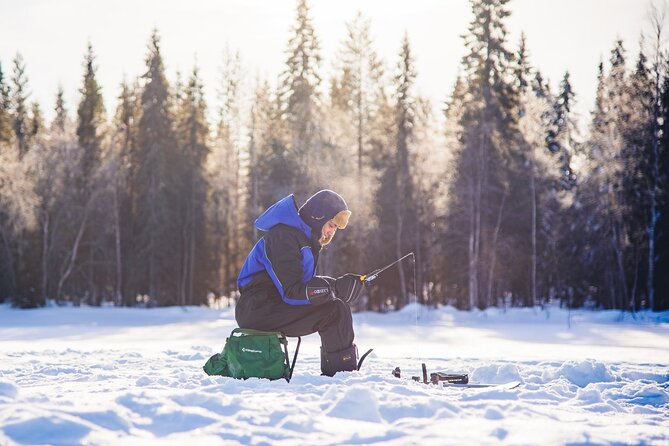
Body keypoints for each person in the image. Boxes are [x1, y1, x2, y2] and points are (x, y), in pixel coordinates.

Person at [235, 190, 365, 376]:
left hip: (272, 305)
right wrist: (333, 288)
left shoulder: (303, 240)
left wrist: (336, 286)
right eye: (330, 224)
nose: (331, 232)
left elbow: (301, 288)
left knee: (336, 308)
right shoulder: (283, 237)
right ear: (317, 217)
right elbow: (292, 292)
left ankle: (340, 371)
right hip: (258, 308)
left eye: (335, 228)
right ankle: (341, 375)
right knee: (334, 311)